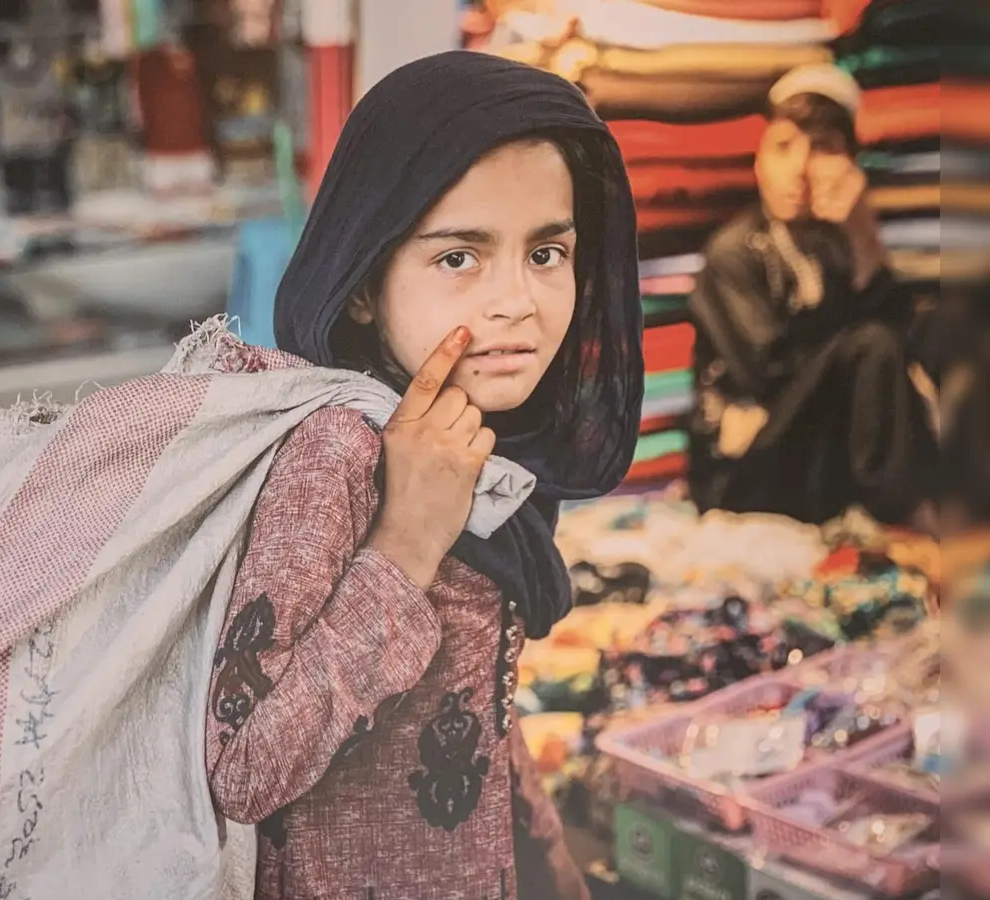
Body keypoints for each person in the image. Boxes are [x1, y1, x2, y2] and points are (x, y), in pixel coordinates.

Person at [204, 51, 643, 899]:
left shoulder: (480, 446)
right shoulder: (331, 453)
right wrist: (404, 547)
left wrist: (547, 853)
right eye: (458, 258)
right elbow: (243, 766)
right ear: (364, 286)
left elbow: (473, 700)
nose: (516, 300)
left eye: (546, 252)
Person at [686, 63, 937, 528]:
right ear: (759, 159)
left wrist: (863, 235)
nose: (800, 170)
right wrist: (855, 349)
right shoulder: (734, 251)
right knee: (872, 344)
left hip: (819, 460)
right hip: (745, 469)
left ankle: (916, 503)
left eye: (822, 148)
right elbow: (772, 370)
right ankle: (905, 514)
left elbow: (901, 339)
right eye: (783, 148)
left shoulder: (834, 245)